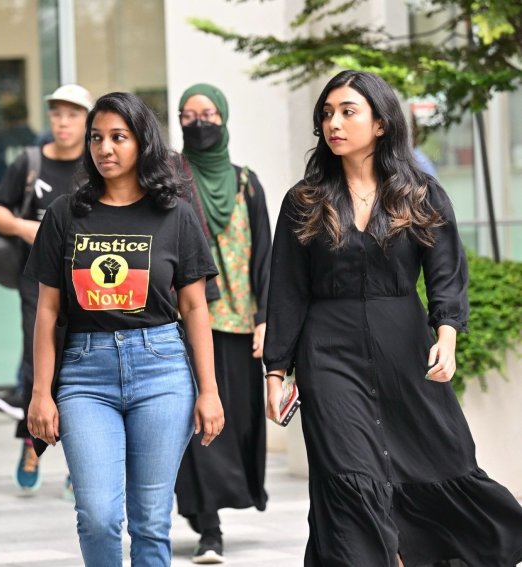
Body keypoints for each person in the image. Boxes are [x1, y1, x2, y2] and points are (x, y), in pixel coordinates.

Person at [263, 70, 522, 567]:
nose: (333, 123)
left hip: (404, 350)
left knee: (437, 458)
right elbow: (288, 290)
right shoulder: (304, 201)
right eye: (326, 113)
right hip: (328, 354)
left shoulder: (419, 194)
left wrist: (446, 335)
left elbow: (446, 272)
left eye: (347, 111)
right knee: (348, 473)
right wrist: (277, 369)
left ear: (380, 123)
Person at [26, 91, 226, 566]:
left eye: (118, 137)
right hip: (84, 374)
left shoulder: (174, 213)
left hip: (161, 369)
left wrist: (209, 389)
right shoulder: (64, 214)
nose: (105, 148)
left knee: (151, 520)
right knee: (97, 514)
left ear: (143, 143)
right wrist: (39, 392)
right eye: (97, 138)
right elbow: (48, 311)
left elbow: (196, 306)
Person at [173, 83, 272, 564]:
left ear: (224, 117)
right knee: (196, 422)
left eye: (208, 113)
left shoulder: (248, 182)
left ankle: (214, 510)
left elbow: (266, 256)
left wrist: (265, 319)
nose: (199, 123)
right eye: (189, 115)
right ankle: (207, 524)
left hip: (236, 322)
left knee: (235, 423)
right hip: (184, 322)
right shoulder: (169, 179)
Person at [0, 84, 93, 492]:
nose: (63, 123)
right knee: (38, 366)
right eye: (56, 115)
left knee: (81, 366)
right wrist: (24, 227)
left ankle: (79, 462)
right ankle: (33, 441)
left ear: (87, 121)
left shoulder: (97, 163)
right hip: (39, 279)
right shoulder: (29, 161)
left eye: (72, 115)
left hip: (90, 282)